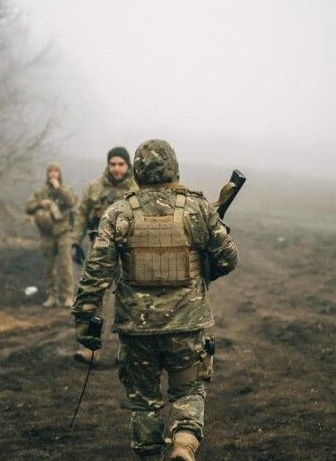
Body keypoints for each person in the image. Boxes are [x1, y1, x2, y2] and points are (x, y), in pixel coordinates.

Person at [72, 140, 238, 460]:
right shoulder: (197, 208)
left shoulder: (119, 211)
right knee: (188, 389)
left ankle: (150, 455)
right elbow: (228, 259)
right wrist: (202, 271)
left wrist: (85, 317)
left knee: (143, 400)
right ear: (173, 167)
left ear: (137, 170)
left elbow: (97, 271)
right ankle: (184, 443)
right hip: (186, 323)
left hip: (136, 327)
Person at [70, 146, 138, 364]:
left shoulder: (137, 188)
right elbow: (82, 214)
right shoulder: (95, 187)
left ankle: (127, 352)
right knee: (95, 299)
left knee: (130, 301)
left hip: (130, 252)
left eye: (121, 164)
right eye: (113, 164)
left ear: (128, 166)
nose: (117, 169)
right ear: (108, 165)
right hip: (101, 250)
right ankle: (91, 350)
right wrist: (75, 241)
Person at [25, 162, 77, 308]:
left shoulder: (65, 189)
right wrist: (40, 204)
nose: (53, 174)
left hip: (64, 231)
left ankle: (67, 296)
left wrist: (58, 188)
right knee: (49, 266)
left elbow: (72, 201)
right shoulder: (41, 191)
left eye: (56, 171)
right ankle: (51, 296)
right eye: (50, 171)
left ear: (60, 174)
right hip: (46, 233)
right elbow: (28, 206)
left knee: (65, 265)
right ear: (47, 174)